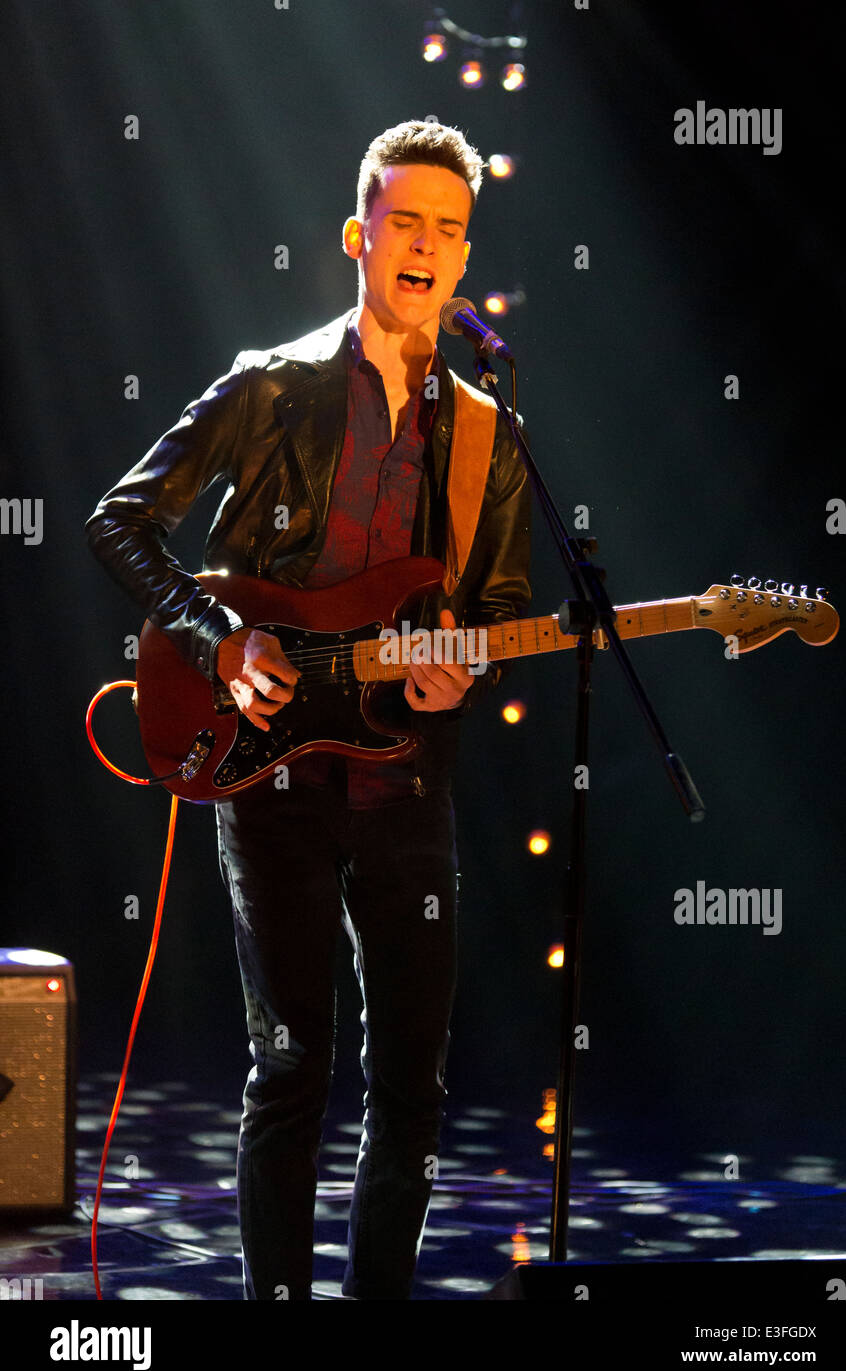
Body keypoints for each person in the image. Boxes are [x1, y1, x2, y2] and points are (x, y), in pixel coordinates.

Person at [85, 118, 532, 1300]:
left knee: (415, 1084)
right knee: (290, 1068)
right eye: (406, 223)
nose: (426, 246)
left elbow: (501, 604)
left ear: (464, 251)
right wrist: (218, 639)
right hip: (265, 769)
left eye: (449, 229)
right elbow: (119, 521)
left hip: (405, 781)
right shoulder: (269, 383)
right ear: (359, 236)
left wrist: (465, 670)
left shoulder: (489, 433)